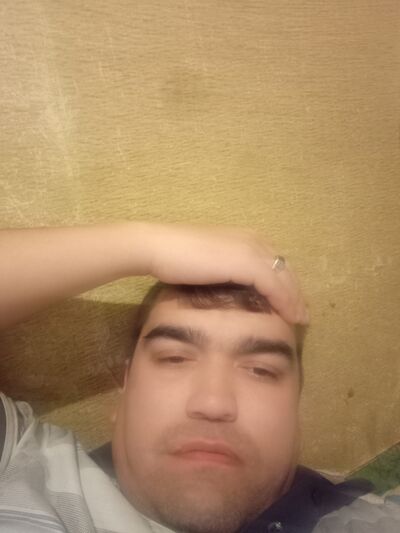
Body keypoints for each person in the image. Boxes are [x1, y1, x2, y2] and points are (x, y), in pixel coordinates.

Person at [0, 222, 399, 533]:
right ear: (124, 388)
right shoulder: (20, 462)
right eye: (175, 358)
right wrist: (146, 245)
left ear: (297, 409)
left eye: (260, 370)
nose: (213, 403)